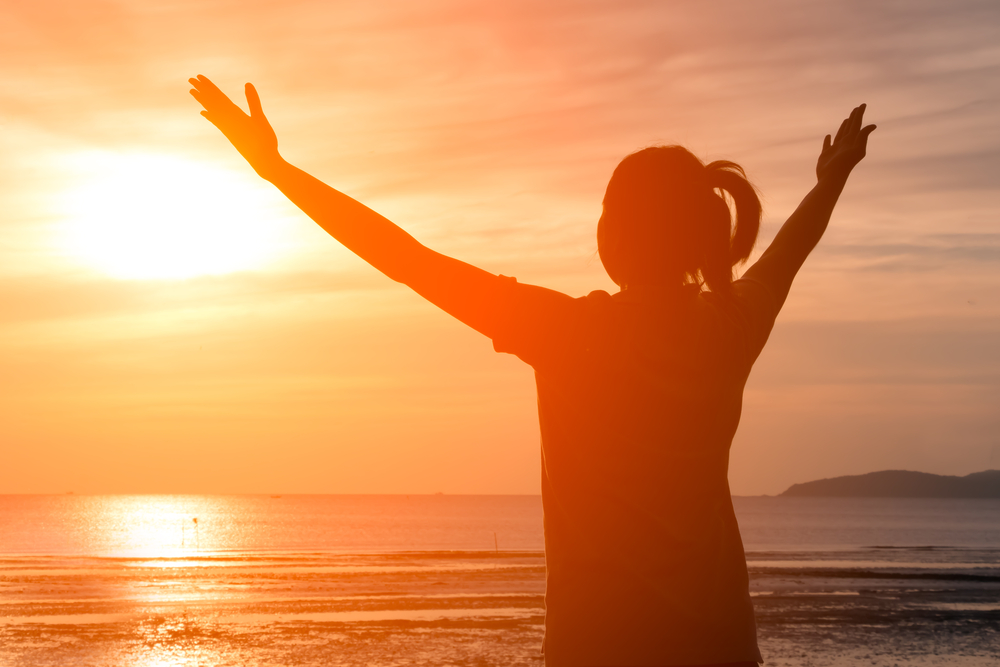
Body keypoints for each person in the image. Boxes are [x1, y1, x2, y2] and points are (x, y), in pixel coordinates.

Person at [189, 75, 875, 667]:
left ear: (615, 236)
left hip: (598, 644)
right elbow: (790, 249)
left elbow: (406, 257)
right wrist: (832, 180)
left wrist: (278, 171)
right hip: (720, 643)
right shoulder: (729, 323)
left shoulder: (567, 329)